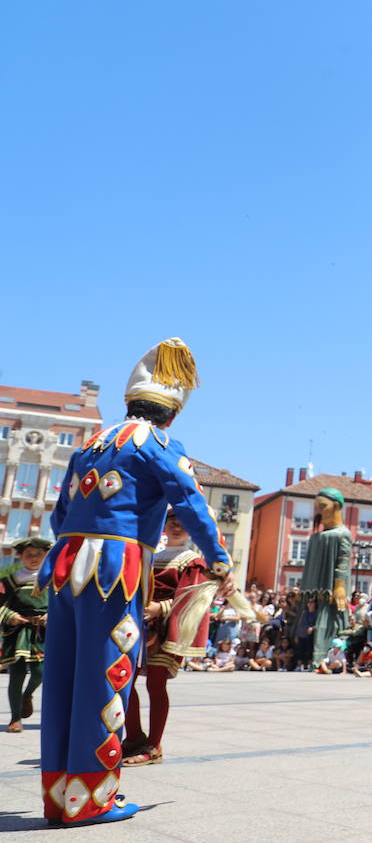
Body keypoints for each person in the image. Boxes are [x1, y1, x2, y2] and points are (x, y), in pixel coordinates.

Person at [37, 339, 232, 826]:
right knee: (108, 676)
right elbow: (191, 505)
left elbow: (62, 512)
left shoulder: (90, 444)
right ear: (171, 412)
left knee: (63, 675)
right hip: (113, 571)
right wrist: (221, 562)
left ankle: (59, 794)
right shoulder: (159, 445)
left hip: (66, 565)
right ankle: (94, 798)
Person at [123, 509, 247, 767]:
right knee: (125, 682)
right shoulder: (151, 555)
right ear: (163, 525)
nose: (177, 527)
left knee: (155, 685)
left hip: (169, 629)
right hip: (139, 627)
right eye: (172, 522)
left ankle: (154, 746)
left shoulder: (193, 561)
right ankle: (134, 737)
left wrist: (160, 608)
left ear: (191, 529)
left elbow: (191, 598)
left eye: (183, 523)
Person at [295, 488, 352, 668]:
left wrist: (340, 585)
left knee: (324, 626)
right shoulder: (316, 537)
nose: (318, 510)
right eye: (316, 506)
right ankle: (302, 658)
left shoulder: (343, 533)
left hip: (331, 591)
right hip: (313, 591)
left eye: (322, 506)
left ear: (336, 506)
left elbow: (343, 560)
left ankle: (323, 659)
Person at [1, 535, 52, 732]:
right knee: (17, 674)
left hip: (43, 632)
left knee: (40, 672)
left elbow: (63, 603)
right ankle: (15, 719)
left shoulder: (52, 579)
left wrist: (51, 615)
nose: (33, 558)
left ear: (45, 555)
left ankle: (26, 696)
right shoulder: (10, 580)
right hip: (18, 631)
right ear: (21, 557)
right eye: (28, 554)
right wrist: (10, 615)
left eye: (38, 554)